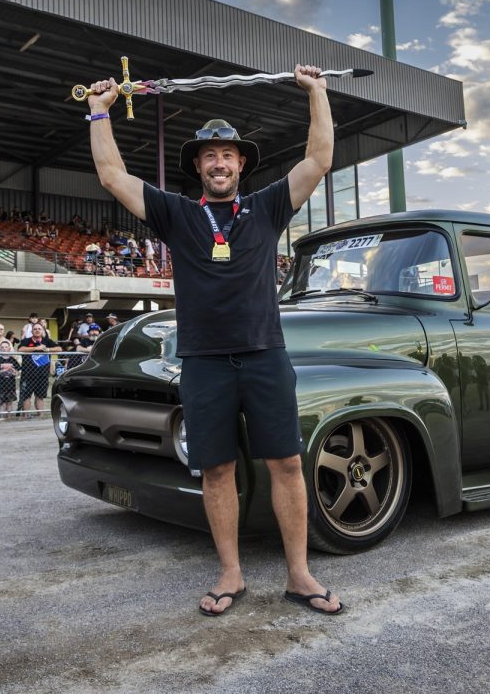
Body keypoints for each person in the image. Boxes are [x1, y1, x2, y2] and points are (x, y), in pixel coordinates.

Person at [85, 64, 341, 616]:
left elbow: (318, 158)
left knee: (288, 465)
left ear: (240, 164)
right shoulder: (177, 214)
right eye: (209, 155)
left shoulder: (269, 206)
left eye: (228, 154)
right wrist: (100, 111)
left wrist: (316, 92)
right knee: (217, 469)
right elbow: (112, 177)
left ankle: (299, 575)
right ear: (198, 166)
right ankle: (231, 573)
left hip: (265, 355)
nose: (219, 162)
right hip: (203, 361)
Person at [16, 322, 59, 415]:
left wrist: (48, 349)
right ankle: (25, 416)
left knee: (40, 397)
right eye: (35, 329)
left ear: (43, 331)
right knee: (26, 397)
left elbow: (59, 349)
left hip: (42, 375)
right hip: (28, 374)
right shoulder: (26, 341)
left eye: (39, 329)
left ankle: (41, 416)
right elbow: (20, 349)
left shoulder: (47, 341)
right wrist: (37, 348)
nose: (37, 330)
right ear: (32, 331)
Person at [0, 340, 19, 416]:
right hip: (0, 385)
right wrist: (4, 370)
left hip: (10, 385)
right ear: (0, 349)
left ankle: (8, 416)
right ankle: (0, 416)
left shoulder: (12, 359)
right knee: (1, 402)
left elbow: (17, 372)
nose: (4, 348)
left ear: (9, 348)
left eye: (6, 347)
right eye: (2, 347)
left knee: (9, 402)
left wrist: (13, 371)